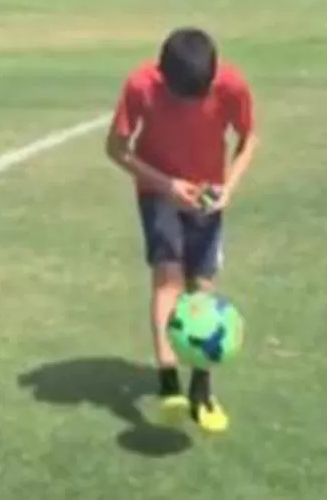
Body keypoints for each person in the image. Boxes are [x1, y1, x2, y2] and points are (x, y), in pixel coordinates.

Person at [105, 27, 258, 433]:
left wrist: (229, 186)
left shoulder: (232, 86)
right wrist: (165, 184)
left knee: (202, 286)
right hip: (159, 192)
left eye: (200, 95)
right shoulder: (141, 86)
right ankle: (169, 382)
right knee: (167, 276)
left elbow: (249, 138)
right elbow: (116, 149)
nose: (192, 103)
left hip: (207, 195)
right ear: (162, 75)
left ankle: (202, 391)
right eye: (181, 96)